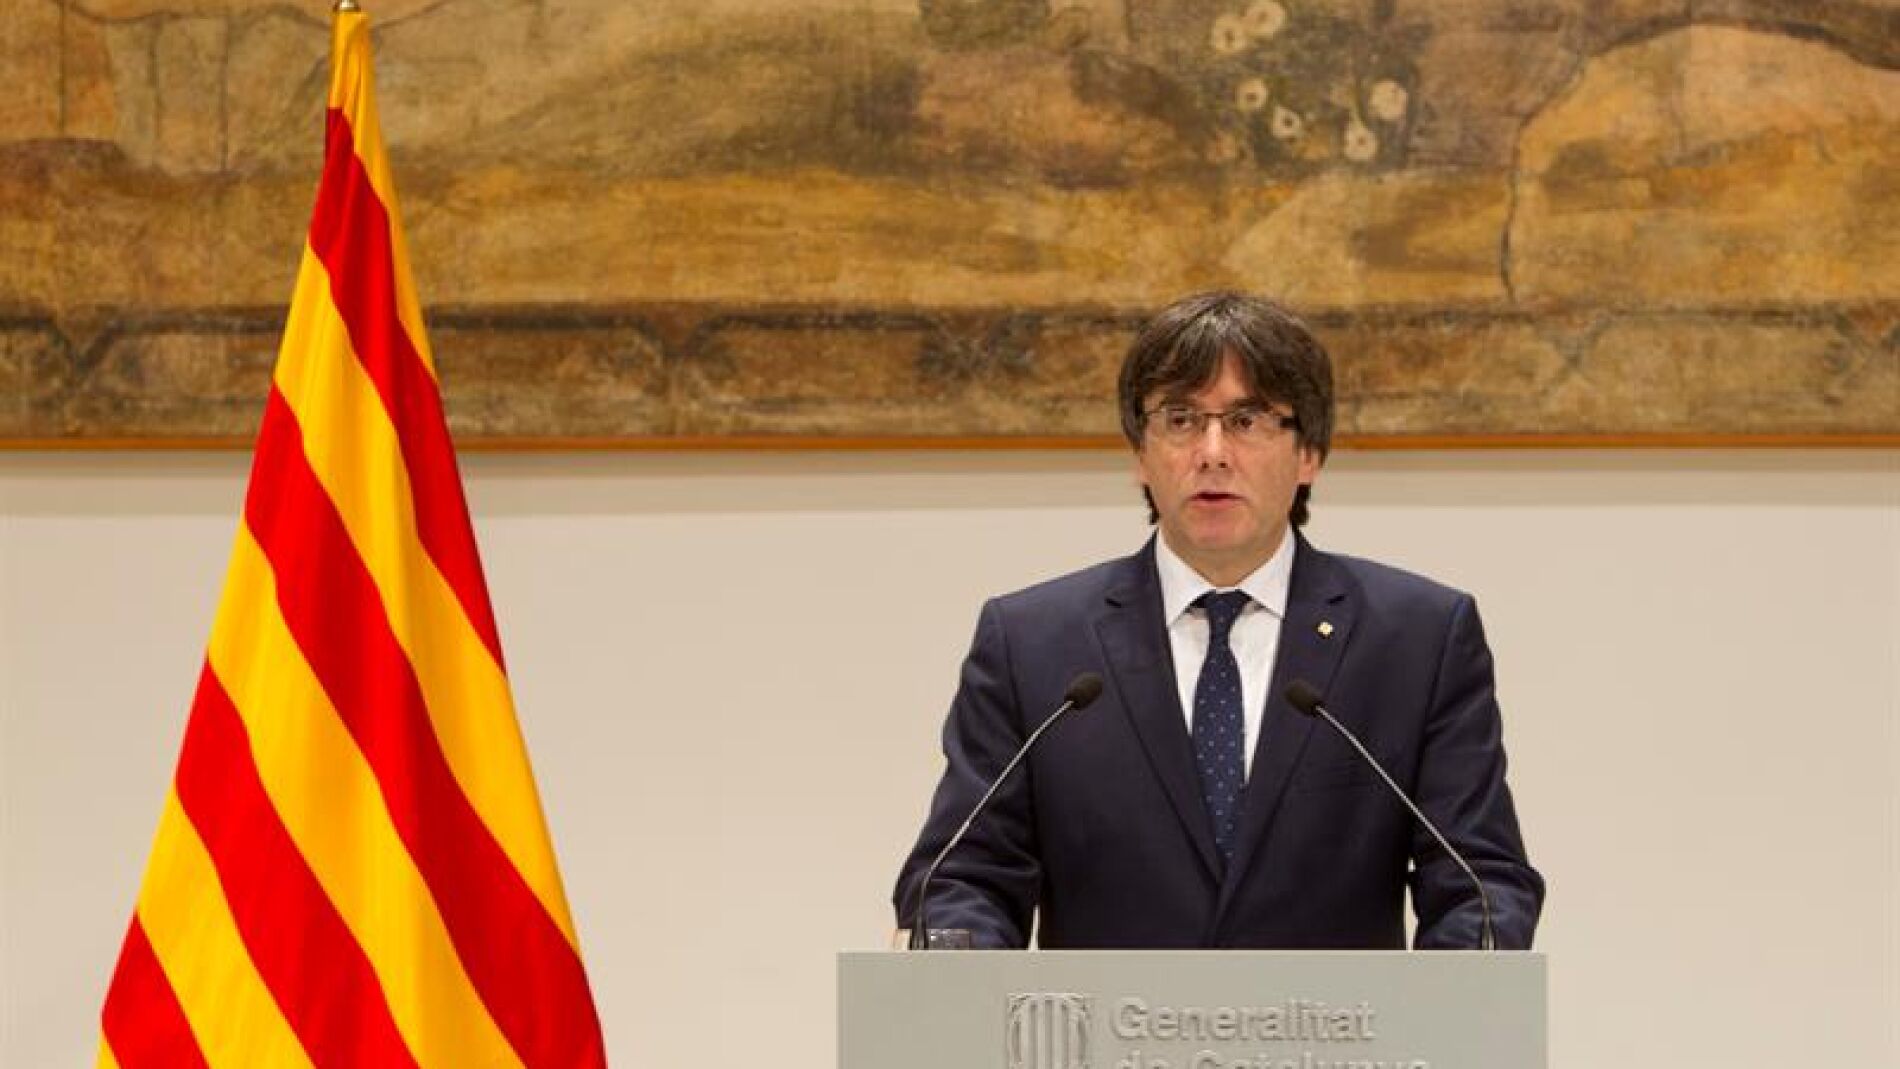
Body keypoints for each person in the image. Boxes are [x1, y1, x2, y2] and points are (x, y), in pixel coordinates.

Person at [893, 291, 1543, 949]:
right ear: (1140, 454)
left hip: (1340, 1021)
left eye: (1246, 420)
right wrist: (956, 951)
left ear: (1309, 452)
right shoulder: (1032, 644)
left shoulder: (1418, 639)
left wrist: (1460, 981)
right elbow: (962, 876)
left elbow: (1480, 883)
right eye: (1180, 419)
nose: (1212, 452)